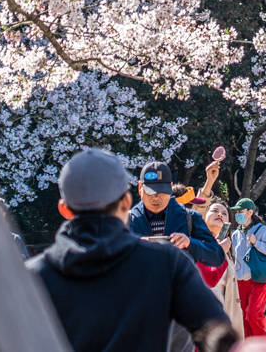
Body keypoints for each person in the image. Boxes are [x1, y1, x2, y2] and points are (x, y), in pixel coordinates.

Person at [27, 147, 237, 352]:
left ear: (64, 209)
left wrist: (190, 243)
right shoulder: (169, 263)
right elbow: (218, 333)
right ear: (128, 201)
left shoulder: (32, 276)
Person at [128, 161, 226, 268]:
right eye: (150, 192)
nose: (156, 197)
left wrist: (190, 243)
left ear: (170, 187)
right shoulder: (125, 221)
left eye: (161, 191)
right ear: (139, 188)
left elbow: (217, 257)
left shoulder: (190, 218)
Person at [232, 198, 266, 337]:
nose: (237, 214)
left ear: (250, 212)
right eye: (236, 211)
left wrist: (256, 243)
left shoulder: (262, 230)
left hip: (258, 279)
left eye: (240, 211)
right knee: (242, 317)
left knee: (253, 315)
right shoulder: (235, 233)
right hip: (240, 281)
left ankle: (262, 345)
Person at [205, 200, 246, 336]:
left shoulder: (226, 245)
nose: (220, 215)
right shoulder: (196, 243)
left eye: (224, 213)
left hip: (224, 315)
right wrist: (220, 251)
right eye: (215, 211)